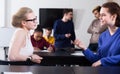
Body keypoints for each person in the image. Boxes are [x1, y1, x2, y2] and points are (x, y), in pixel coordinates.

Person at [74, 2, 120, 67]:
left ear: (113, 16)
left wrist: (103, 61)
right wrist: (84, 48)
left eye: (103, 15)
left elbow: (101, 61)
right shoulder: (102, 36)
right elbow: (97, 59)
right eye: (100, 15)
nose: (100, 17)